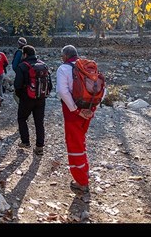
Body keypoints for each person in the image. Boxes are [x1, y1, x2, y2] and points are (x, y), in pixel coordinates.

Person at [56, 45, 96, 200]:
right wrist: (91, 109)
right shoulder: (87, 67)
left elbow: (63, 91)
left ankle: (81, 181)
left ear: (66, 55)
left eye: (62, 55)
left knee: (74, 144)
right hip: (89, 111)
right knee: (81, 142)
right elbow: (101, 89)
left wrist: (76, 110)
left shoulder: (64, 69)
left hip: (74, 113)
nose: (61, 58)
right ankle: (84, 172)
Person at [14, 45, 52, 155]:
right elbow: (50, 84)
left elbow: (17, 85)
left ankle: (25, 142)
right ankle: (39, 147)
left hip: (27, 98)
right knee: (39, 122)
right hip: (41, 98)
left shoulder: (22, 66)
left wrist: (21, 95)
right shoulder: (43, 65)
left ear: (25, 54)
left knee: (22, 119)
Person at [11, 37, 27, 104]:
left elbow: (14, 65)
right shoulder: (28, 51)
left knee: (16, 94)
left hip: (20, 74)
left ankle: (23, 106)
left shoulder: (19, 52)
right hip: (28, 74)